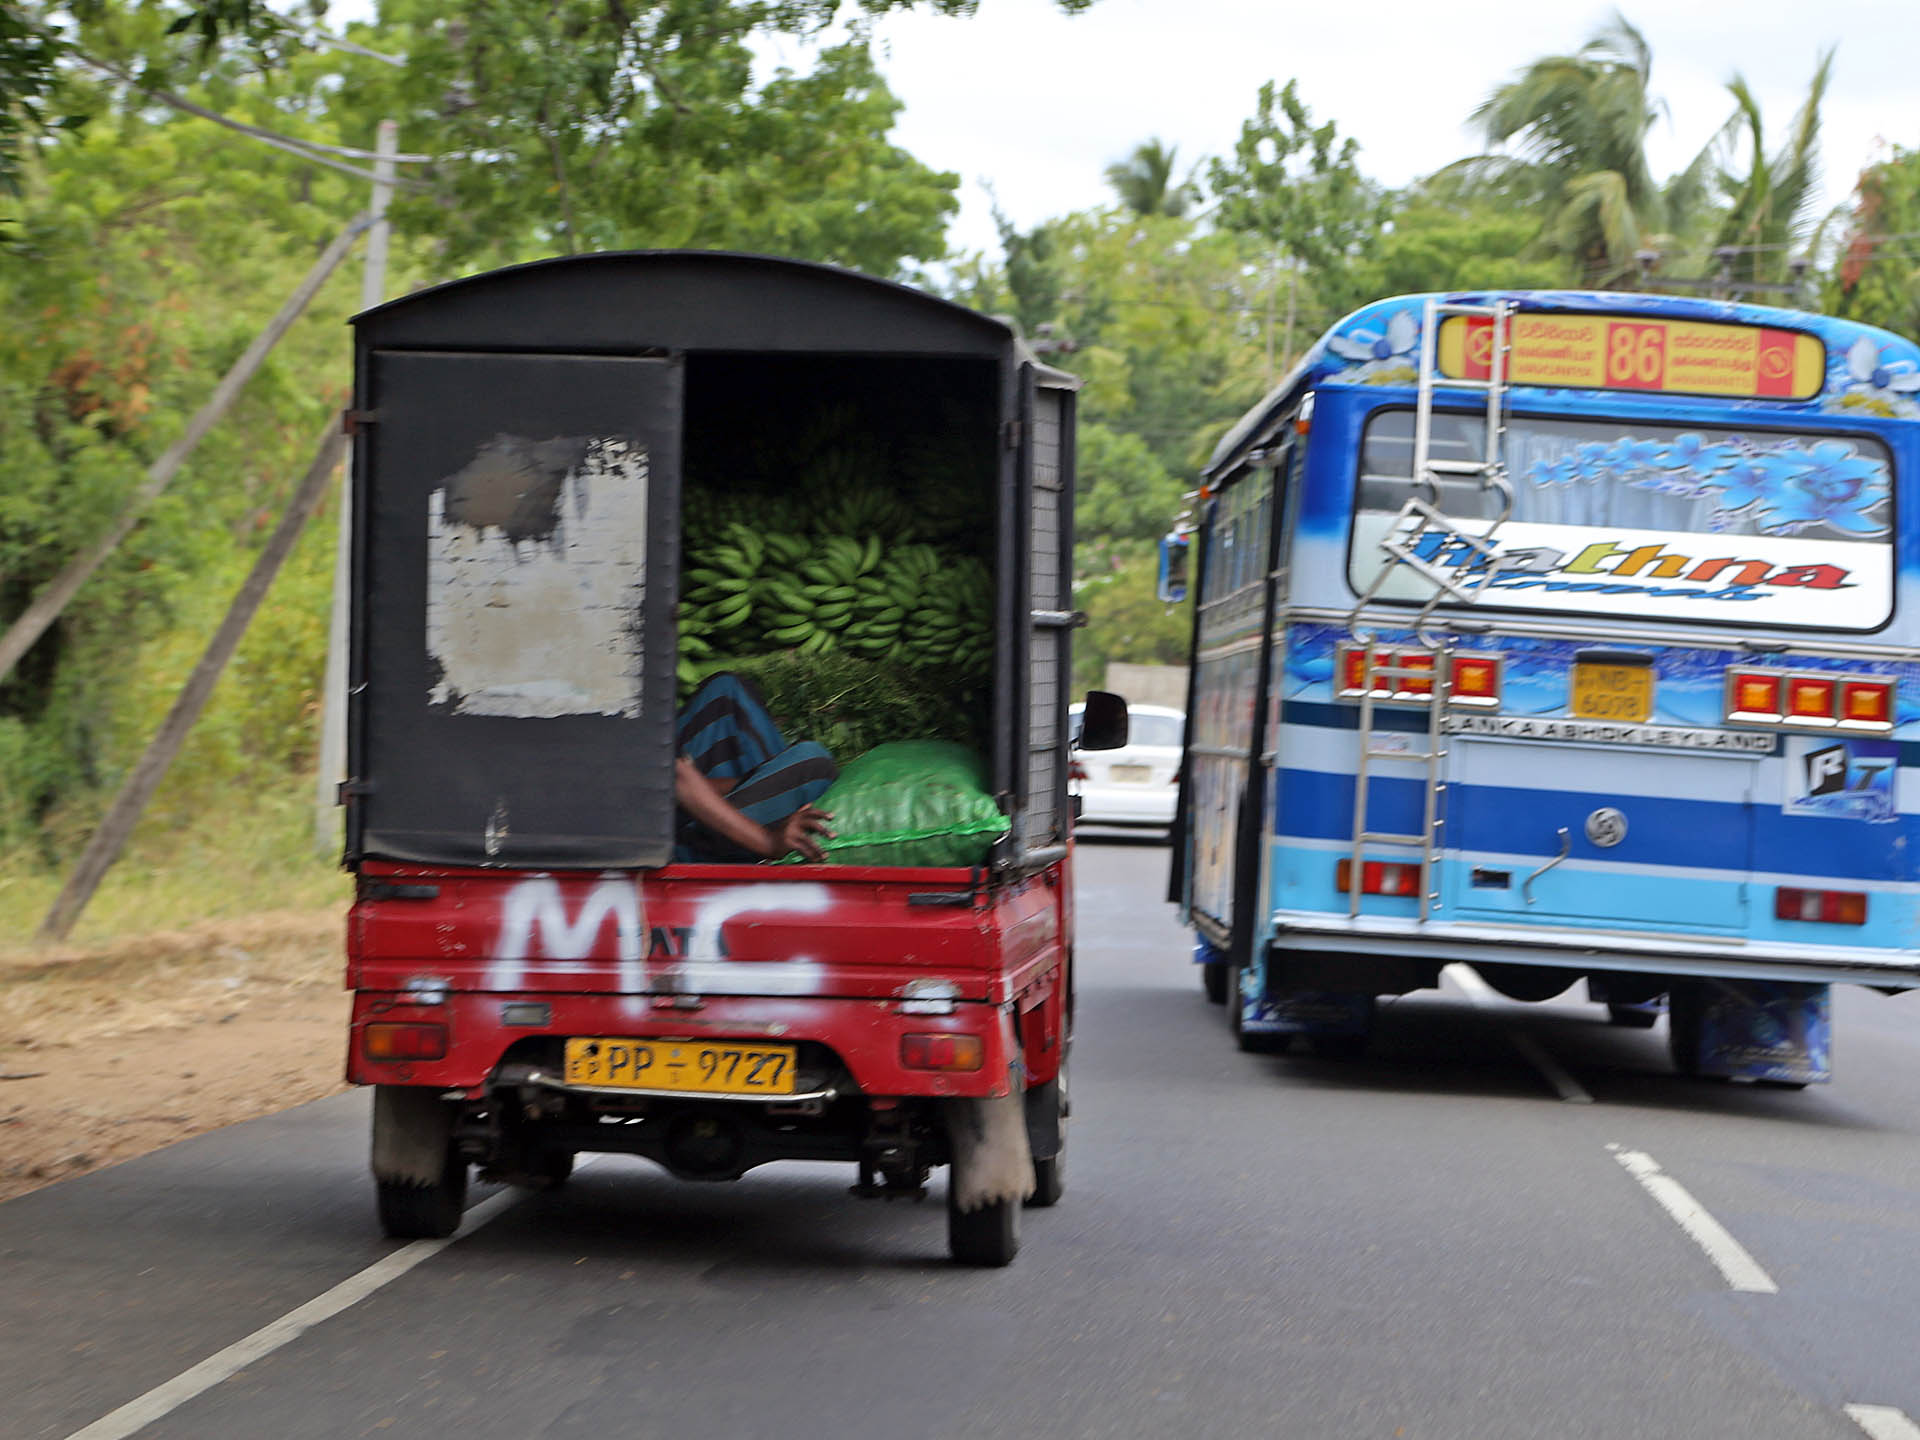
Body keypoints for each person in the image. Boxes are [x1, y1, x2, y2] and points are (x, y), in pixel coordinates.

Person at [674, 673, 836, 862]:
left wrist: (760, 781)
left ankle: (764, 823)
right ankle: (747, 845)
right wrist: (770, 841)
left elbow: (672, 777)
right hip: (661, 839)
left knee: (726, 689)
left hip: (663, 798)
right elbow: (673, 776)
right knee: (814, 767)